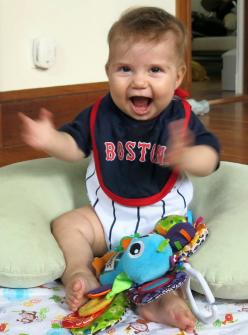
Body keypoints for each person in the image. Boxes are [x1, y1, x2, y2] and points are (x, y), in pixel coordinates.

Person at [19, 6, 220, 333]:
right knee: (68, 224)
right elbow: (74, 147)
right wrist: (50, 140)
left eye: (155, 69)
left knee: (168, 261)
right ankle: (79, 271)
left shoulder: (180, 117)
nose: (139, 81)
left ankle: (162, 302)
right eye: (125, 69)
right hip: (107, 216)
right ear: (108, 70)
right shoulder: (99, 114)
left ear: (179, 75)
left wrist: (187, 155)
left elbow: (210, 159)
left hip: (160, 226)